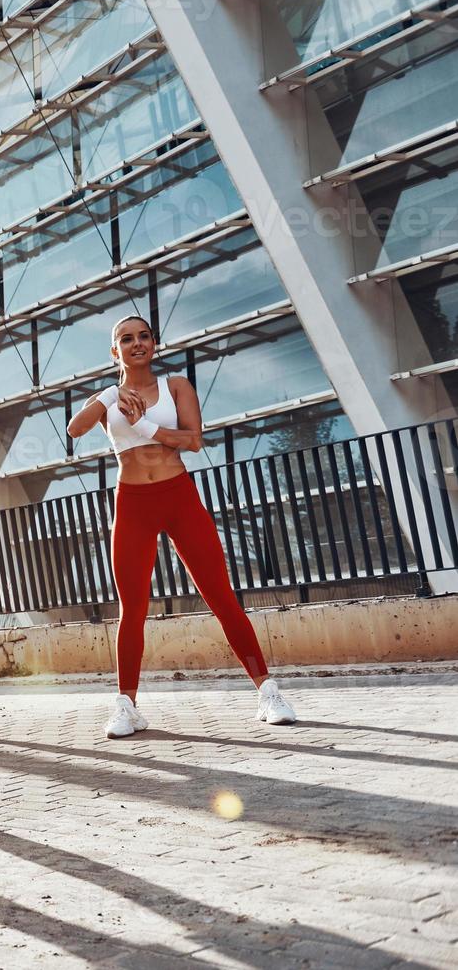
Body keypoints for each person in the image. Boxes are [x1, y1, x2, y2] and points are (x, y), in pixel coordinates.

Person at [66, 315, 298, 737]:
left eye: (144, 336)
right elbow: (75, 428)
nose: (137, 343)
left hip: (178, 496)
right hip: (133, 503)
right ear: (114, 350)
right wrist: (108, 399)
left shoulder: (176, 387)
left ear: (154, 343)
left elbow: (193, 440)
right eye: (126, 339)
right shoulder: (109, 396)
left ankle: (268, 691)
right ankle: (127, 705)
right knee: (132, 607)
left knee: (220, 596)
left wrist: (145, 425)